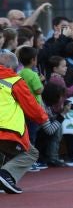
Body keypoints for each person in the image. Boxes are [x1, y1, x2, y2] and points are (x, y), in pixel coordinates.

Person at [0, 51, 58, 194]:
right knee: (31, 153)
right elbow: (31, 106)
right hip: (7, 128)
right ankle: (6, 175)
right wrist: (44, 119)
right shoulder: (14, 80)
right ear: (13, 68)